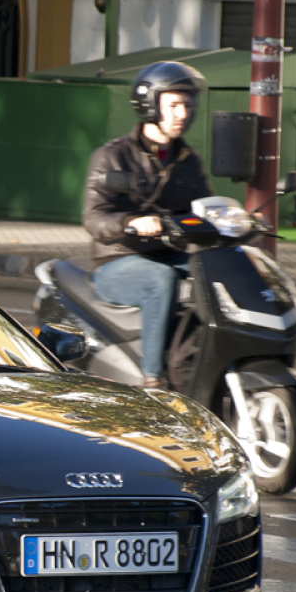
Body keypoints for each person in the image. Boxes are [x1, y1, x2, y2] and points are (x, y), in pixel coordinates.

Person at [82, 61, 212, 390]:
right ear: (149, 105)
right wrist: (131, 222)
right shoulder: (111, 157)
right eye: (174, 105)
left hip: (170, 253)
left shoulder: (188, 161)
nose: (183, 112)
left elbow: (202, 210)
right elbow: (94, 217)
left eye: (187, 104)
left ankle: (197, 364)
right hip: (117, 260)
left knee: (216, 271)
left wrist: (234, 221)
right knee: (159, 279)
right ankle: (152, 381)